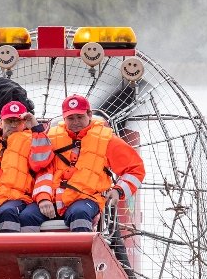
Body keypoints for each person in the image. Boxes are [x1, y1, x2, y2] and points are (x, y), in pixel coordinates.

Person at [27, 94, 146, 233]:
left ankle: (79, 254)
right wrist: (43, 198)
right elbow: (41, 170)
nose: (75, 122)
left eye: (80, 117)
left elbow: (135, 169)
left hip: (86, 200)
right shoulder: (50, 137)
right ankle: (20, 254)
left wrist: (118, 190)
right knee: (26, 216)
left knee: (79, 214)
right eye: (71, 118)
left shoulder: (108, 139)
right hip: (52, 200)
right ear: (64, 118)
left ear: (89, 114)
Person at [0, 101, 52, 232]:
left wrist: (36, 127)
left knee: (7, 212)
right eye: (9, 121)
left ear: (24, 124)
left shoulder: (33, 140)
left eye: (18, 121)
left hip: (18, 198)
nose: (14, 125)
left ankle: (9, 252)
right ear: (1, 122)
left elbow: (41, 163)